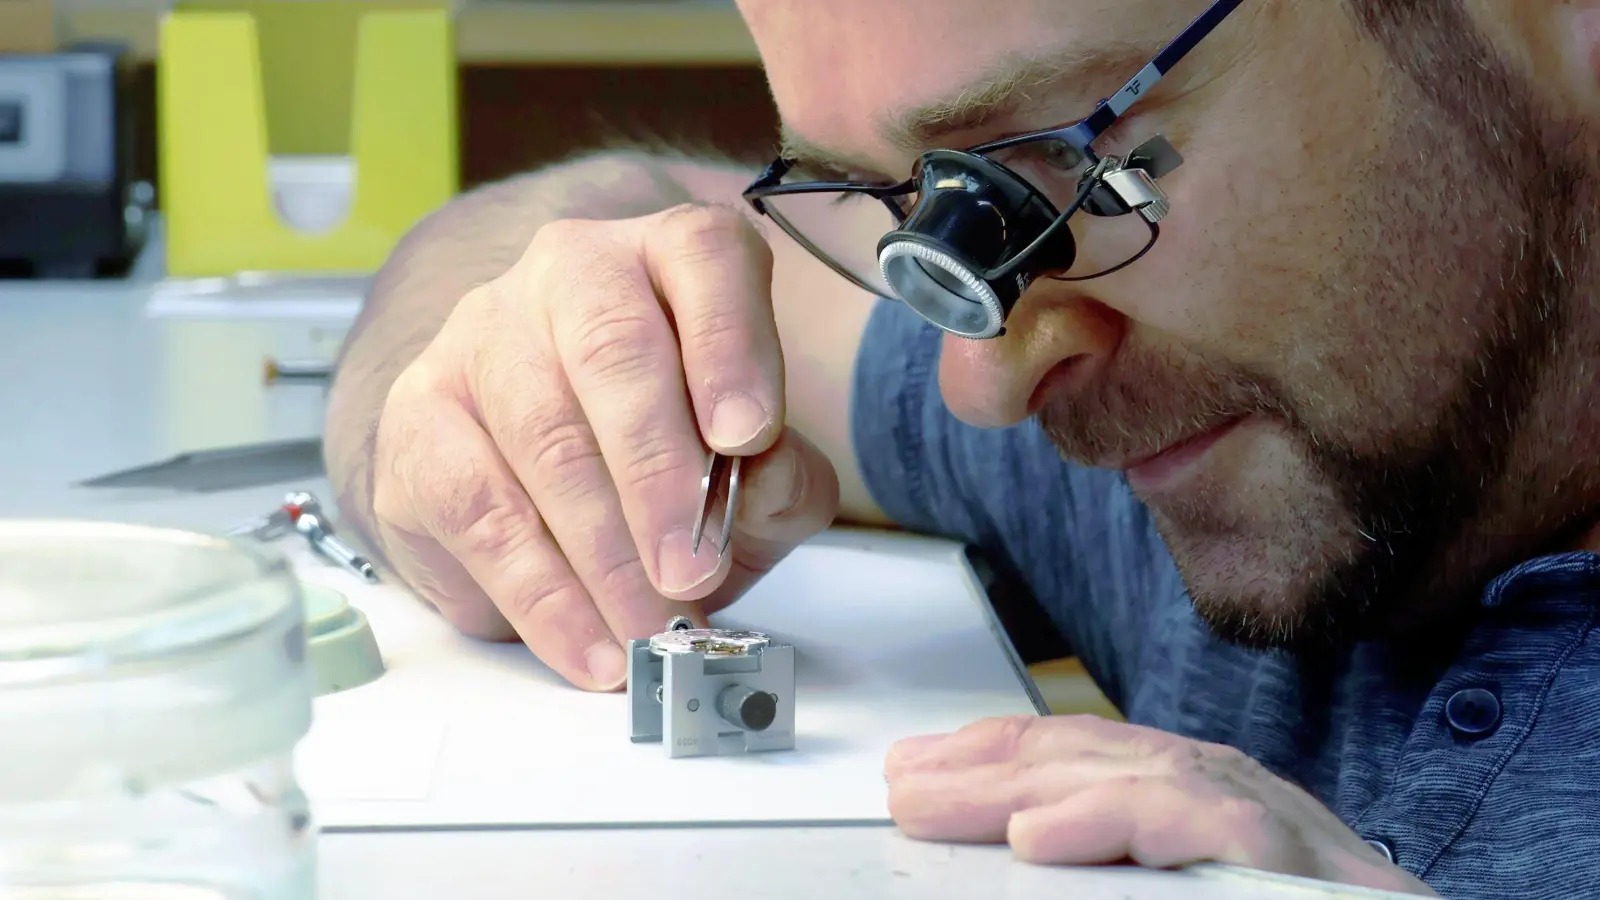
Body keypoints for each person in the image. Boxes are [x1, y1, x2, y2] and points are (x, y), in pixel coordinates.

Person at [321, 0, 1600, 896]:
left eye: (1062, 171)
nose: (984, 380)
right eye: (901, 210)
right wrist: (471, 406)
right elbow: (574, 212)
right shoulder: (1272, 417)